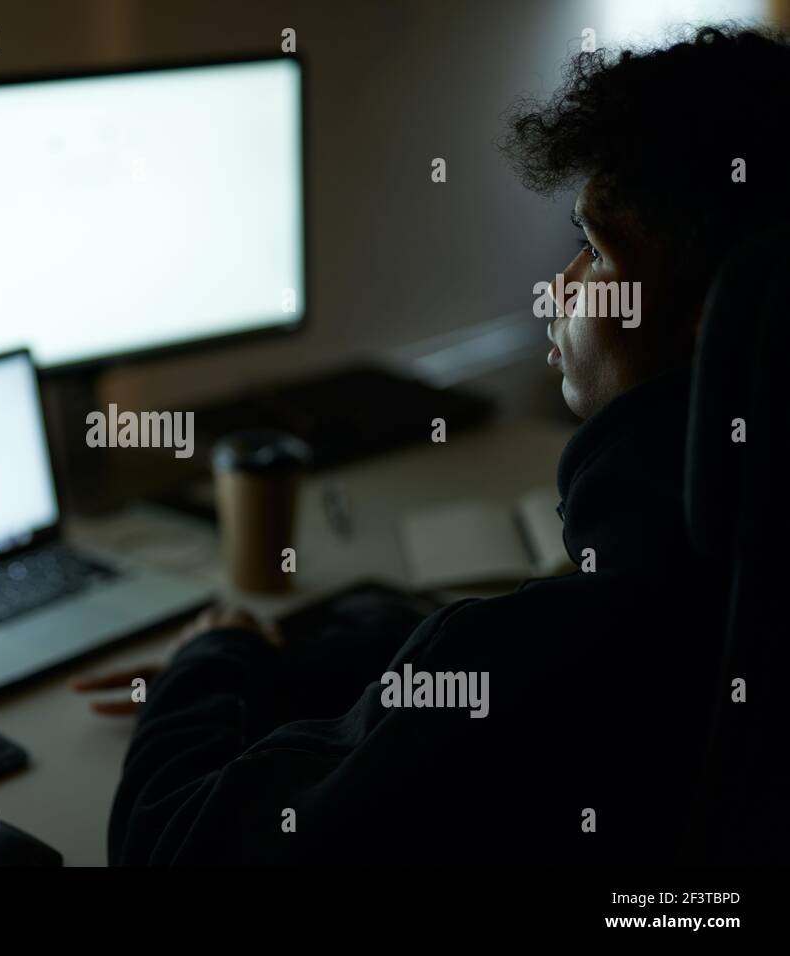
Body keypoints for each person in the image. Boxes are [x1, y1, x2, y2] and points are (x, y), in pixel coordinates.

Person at [74, 25, 790, 864]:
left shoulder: (538, 658)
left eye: (592, 251)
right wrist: (333, 651)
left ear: (723, 322)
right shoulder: (727, 585)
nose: (553, 290)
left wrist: (205, 665)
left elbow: (171, 847)